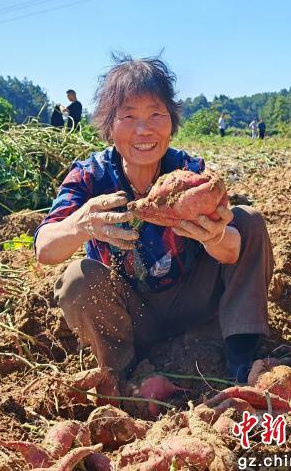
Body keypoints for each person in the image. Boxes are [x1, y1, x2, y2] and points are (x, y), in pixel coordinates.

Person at [33, 56, 273, 385]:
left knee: (248, 221)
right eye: (129, 116)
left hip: (195, 301)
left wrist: (214, 236)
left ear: (171, 122)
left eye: (156, 115)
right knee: (77, 278)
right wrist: (80, 224)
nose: (144, 130)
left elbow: (232, 252)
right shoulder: (90, 176)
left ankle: (241, 355)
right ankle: (123, 373)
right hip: (133, 315)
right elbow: (44, 250)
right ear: (109, 126)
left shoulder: (190, 173)